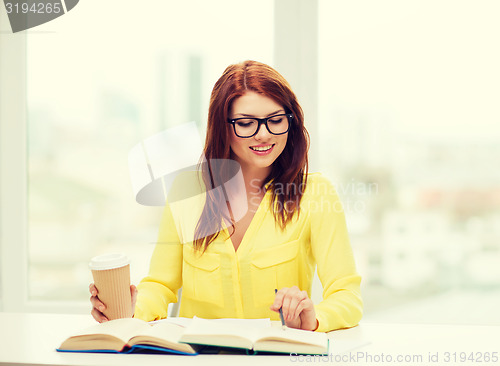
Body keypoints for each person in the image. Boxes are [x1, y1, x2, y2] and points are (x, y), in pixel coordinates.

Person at [90, 60, 362, 332]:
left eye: (276, 120)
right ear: (223, 127)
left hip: (274, 357)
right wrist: (131, 309)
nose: (264, 134)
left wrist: (313, 318)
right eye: (246, 123)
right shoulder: (186, 191)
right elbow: (161, 285)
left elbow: (347, 296)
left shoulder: (314, 193)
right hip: (199, 358)